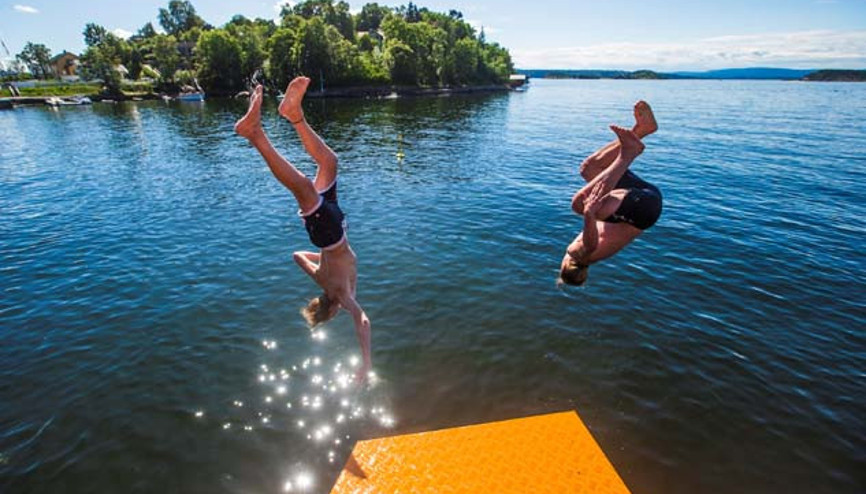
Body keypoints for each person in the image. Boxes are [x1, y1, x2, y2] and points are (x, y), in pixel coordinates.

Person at [235, 77, 371, 381]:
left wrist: (366, 363)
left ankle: (254, 134)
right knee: (329, 162)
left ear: (332, 310)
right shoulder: (321, 278)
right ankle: (293, 113)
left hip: (330, 232)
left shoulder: (340, 294)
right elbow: (297, 255)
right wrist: (321, 260)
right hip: (330, 231)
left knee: (302, 187)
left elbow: (363, 321)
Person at [559, 101, 663, 286]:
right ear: (564, 266)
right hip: (640, 209)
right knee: (580, 205)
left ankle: (641, 130)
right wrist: (589, 214)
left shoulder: (596, 257)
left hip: (645, 201)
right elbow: (590, 245)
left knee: (590, 168)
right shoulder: (578, 255)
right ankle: (628, 153)